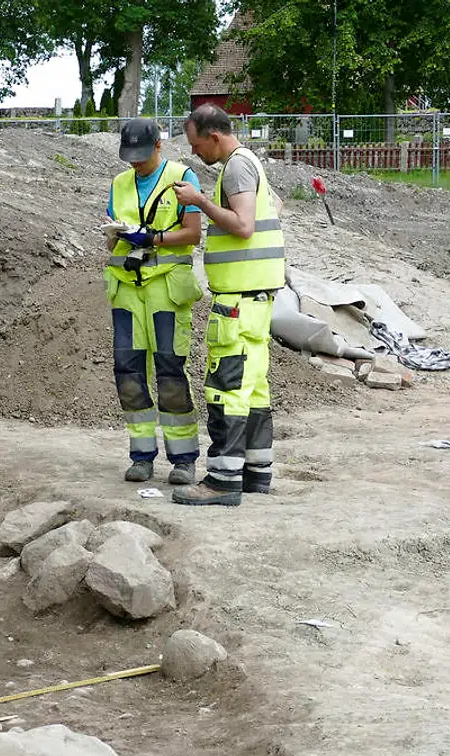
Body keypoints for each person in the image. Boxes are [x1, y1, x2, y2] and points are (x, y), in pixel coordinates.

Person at [170, 104, 286, 507]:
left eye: (196, 144)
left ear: (213, 136)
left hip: (237, 301)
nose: (196, 153)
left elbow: (242, 226)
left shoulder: (236, 167)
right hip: (257, 299)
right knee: (253, 388)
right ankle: (256, 473)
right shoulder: (250, 162)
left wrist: (200, 201)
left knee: (225, 387)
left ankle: (222, 480)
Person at [104, 117, 205, 485]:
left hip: (166, 288)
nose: (136, 163)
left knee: (170, 370)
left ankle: (183, 459)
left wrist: (154, 239)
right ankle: (141, 454)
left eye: (142, 156)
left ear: (159, 146)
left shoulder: (182, 178)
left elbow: (193, 233)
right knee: (128, 372)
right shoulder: (119, 184)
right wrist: (117, 237)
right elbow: (111, 241)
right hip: (126, 288)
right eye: (130, 157)